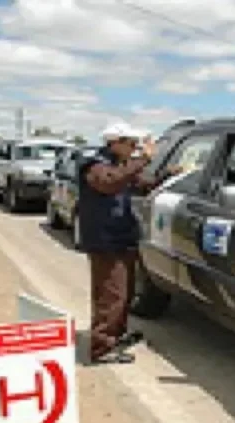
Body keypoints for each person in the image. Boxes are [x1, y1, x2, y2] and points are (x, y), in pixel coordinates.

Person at [78, 122, 162, 364]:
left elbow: (142, 183)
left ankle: (116, 335)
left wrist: (169, 175)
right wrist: (143, 159)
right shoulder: (95, 166)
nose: (134, 148)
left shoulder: (118, 165)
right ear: (116, 143)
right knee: (110, 295)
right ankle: (101, 348)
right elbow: (110, 182)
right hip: (105, 241)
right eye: (131, 144)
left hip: (121, 238)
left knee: (124, 293)